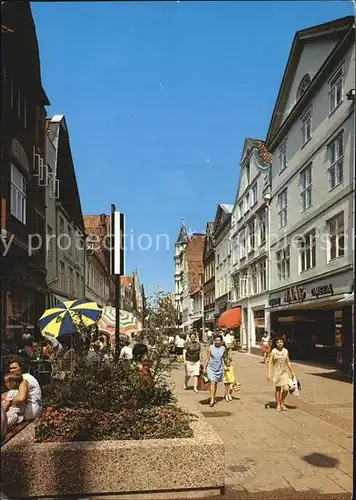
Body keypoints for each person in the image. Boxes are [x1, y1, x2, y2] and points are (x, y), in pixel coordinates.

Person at [267, 336, 295, 412]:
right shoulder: (273, 351)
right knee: (278, 389)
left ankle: (282, 400)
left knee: (286, 389)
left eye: (281, 342)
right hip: (276, 373)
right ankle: (278, 404)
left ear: (283, 343)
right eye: (278, 342)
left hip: (285, 372)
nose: (280, 344)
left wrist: (292, 371)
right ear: (275, 343)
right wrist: (269, 374)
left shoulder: (286, 351)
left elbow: (288, 361)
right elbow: (270, 363)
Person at [204, 334, 226, 407]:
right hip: (211, 368)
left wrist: (225, 367)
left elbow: (223, 358)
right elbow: (208, 358)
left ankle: (212, 396)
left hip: (219, 368)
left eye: (218, 340)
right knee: (212, 382)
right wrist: (204, 367)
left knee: (215, 384)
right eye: (216, 340)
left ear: (221, 341)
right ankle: (212, 400)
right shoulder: (210, 348)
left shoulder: (223, 348)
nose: (217, 342)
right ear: (213, 341)